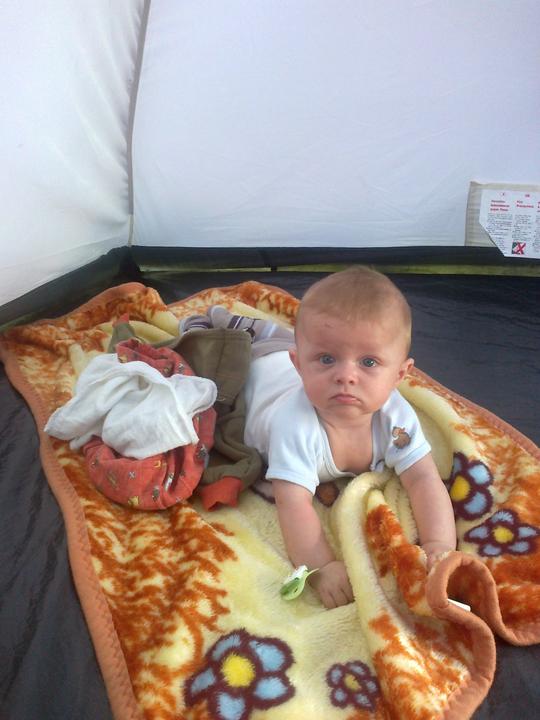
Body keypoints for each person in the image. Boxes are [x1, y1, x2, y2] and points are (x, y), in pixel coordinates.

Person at [180, 267, 456, 609]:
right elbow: (292, 503)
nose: (346, 376)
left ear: (400, 374)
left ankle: (283, 341)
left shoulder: (395, 417)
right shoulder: (294, 425)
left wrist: (439, 545)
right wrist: (321, 567)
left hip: (286, 362)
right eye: (327, 359)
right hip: (259, 373)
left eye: (369, 362)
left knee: (291, 339)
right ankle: (220, 329)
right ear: (301, 366)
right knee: (215, 356)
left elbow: (424, 478)